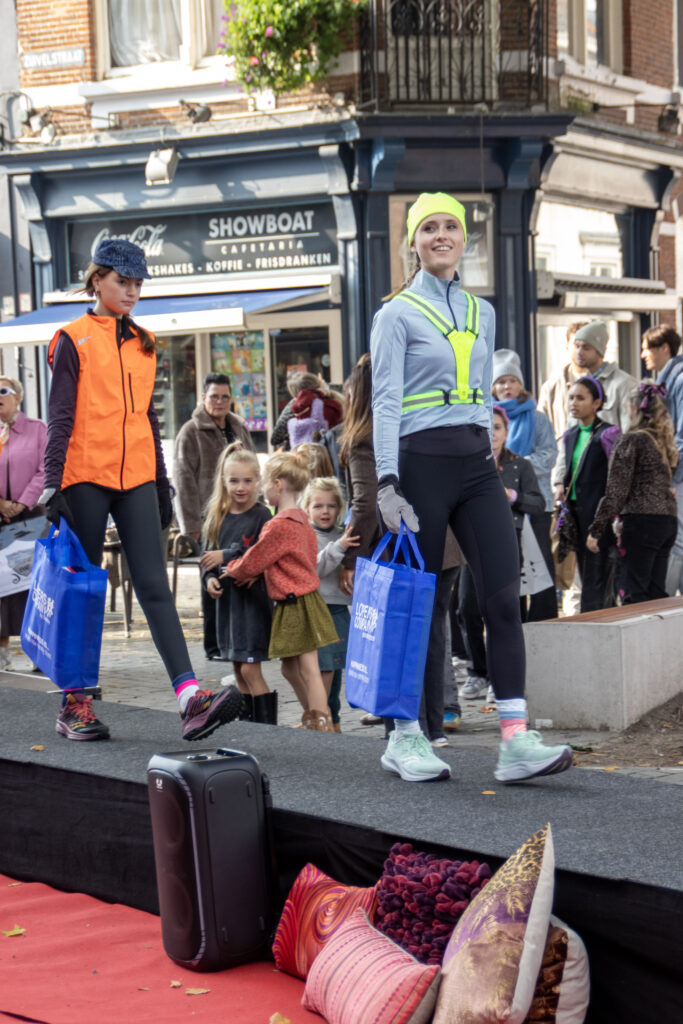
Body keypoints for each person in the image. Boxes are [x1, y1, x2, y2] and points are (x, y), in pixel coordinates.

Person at [370, 191, 572, 783]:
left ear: (464, 239)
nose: (440, 236)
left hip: (476, 464)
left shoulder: (482, 313)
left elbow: (484, 397)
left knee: (503, 600)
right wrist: (386, 483)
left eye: (449, 227)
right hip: (419, 464)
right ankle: (404, 736)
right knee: (418, 608)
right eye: (427, 228)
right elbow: (384, 404)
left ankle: (514, 738)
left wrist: (494, 453)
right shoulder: (395, 314)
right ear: (413, 242)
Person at [39, 238, 242, 741]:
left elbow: (148, 418)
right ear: (96, 280)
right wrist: (50, 483)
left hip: (135, 482)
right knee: (85, 594)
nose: (130, 292)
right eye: (121, 282)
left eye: (136, 284)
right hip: (83, 479)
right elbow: (60, 417)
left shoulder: (146, 342)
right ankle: (75, 704)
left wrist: (162, 483)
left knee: (155, 588)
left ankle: (190, 697)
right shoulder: (72, 338)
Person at [222, 451, 339, 731]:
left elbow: (255, 558)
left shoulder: (278, 525)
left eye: (263, 485)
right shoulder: (301, 520)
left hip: (295, 601)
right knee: (292, 668)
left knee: (309, 670)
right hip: (302, 599)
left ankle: (322, 723)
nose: (262, 491)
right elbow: (290, 560)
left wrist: (234, 569)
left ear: (278, 484)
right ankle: (314, 716)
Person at [458, 406, 545, 700]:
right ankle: (477, 672)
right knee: (468, 608)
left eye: (496, 428)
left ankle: (502, 678)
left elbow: (538, 503)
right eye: (484, 428)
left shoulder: (519, 466)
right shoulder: (466, 465)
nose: (491, 434)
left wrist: (514, 496)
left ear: (507, 433)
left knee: (507, 609)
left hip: (509, 542)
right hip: (469, 544)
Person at [174, 371, 253, 661]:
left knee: (237, 575)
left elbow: (251, 467)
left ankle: (237, 641)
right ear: (202, 399)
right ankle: (215, 645)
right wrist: (191, 526)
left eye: (224, 397)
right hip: (209, 519)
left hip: (239, 513)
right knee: (212, 580)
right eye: (214, 397)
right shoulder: (190, 431)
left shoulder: (238, 427)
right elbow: (183, 481)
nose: (219, 402)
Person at [201, 443, 276, 723]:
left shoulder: (262, 516)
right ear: (224, 480)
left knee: (250, 670)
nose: (240, 487)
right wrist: (209, 579)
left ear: (257, 481)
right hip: (227, 609)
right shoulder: (216, 516)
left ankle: (268, 731)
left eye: (247, 480)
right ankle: (250, 730)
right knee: (237, 669)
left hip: (252, 607)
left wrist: (228, 555)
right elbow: (206, 558)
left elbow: (264, 553)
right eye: (234, 481)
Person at [587, 382, 678, 604]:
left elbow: (616, 491)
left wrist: (596, 529)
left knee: (633, 593)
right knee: (656, 593)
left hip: (640, 521)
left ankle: (638, 640)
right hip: (667, 522)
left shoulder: (631, 440)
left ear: (635, 408)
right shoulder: (663, 442)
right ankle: (660, 639)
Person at [492, 349, 557, 621]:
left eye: (512, 381)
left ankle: (544, 625)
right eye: (501, 382)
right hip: (500, 509)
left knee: (540, 568)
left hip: (534, 503)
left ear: (521, 385)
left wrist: (517, 467)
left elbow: (549, 455)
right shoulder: (487, 418)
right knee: (511, 573)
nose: (507, 387)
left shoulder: (537, 417)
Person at [553, 376, 620, 612]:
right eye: (571, 397)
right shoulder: (570, 434)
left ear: (596, 403)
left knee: (598, 574)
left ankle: (596, 622)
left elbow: (616, 476)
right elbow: (568, 469)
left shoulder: (608, 433)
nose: (574, 403)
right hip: (575, 514)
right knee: (583, 571)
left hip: (598, 514)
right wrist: (561, 484)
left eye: (581, 398)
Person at [301, 476, 359, 732]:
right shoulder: (307, 537)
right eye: (318, 506)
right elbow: (314, 567)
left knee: (334, 672)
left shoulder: (341, 535)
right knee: (323, 670)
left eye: (331, 506)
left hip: (338, 611)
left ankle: (333, 721)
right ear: (307, 508)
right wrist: (340, 546)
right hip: (316, 610)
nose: (325, 511)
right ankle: (319, 720)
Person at [0, 376, 47, 670]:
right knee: (1, 586)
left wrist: (21, 503)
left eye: (3, 390)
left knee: (33, 585)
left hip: (30, 517)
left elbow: (45, 470)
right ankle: (1, 653)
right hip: (0, 516)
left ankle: (39, 651)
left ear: (18, 396)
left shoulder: (37, 429)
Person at [640, 326, 683, 595]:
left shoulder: (678, 380)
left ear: (664, 347)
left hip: (678, 476)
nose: (644, 354)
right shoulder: (668, 382)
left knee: (677, 541)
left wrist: (669, 476)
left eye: (647, 348)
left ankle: (667, 610)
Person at [539, 320, 636, 439]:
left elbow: (630, 435)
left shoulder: (624, 384)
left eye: (586, 348)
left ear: (599, 351)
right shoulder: (578, 385)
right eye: (577, 346)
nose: (579, 352)